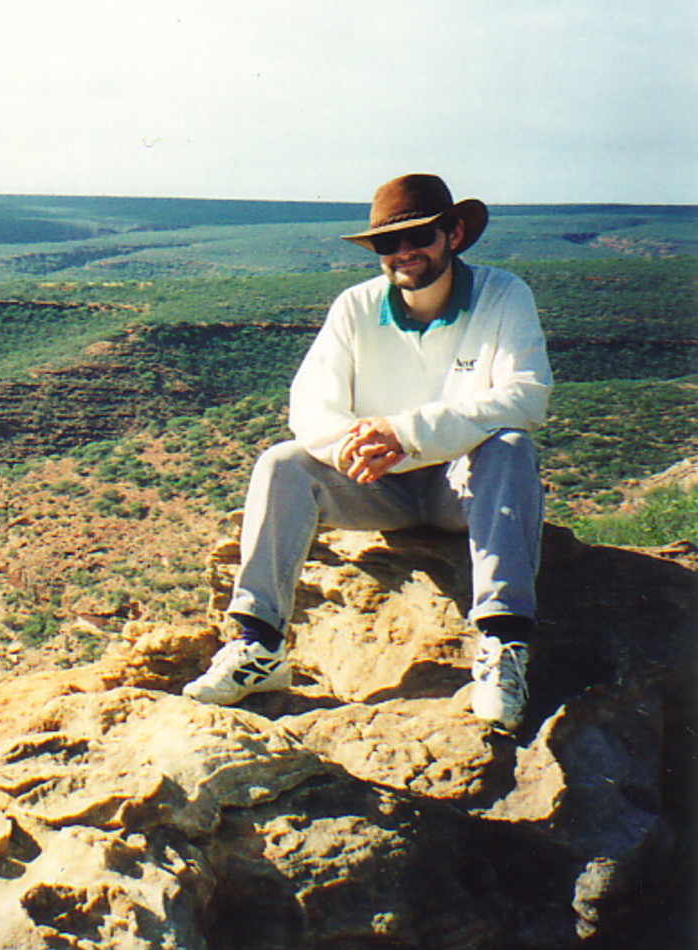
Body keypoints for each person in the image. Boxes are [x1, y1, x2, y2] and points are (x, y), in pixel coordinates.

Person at [183, 174, 551, 730]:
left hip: (464, 484)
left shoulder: (503, 295)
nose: (404, 252)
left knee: (511, 446)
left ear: (453, 233)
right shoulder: (355, 308)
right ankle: (259, 645)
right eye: (387, 243)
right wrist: (355, 448)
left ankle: (503, 646)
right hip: (380, 484)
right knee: (282, 463)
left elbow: (526, 396)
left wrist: (407, 433)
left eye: (419, 236)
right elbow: (310, 408)